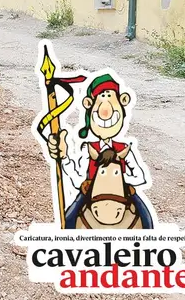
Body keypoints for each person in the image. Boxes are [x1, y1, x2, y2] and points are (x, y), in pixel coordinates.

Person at [47, 74, 154, 229]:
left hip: (123, 193)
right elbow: (77, 178)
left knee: (146, 219)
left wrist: (119, 180)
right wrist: (63, 157)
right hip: (90, 194)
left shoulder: (125, 150)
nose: (106, 113)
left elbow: (140, 177)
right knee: (69, 220)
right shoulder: (88, 149)